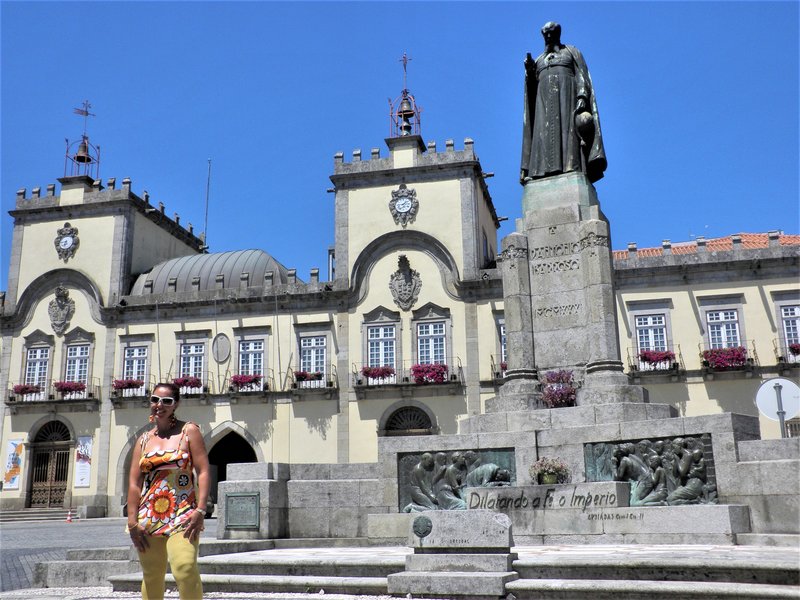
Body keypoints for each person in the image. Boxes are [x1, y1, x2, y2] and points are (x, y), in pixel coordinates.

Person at [127, 382, 210, 599]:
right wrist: (132, 521)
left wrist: (200, 510)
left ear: (176, 405)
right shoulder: (143, 440)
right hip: (149, 515)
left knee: (184, 567)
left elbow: (202, 471)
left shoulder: (188, 431)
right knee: (152, 575)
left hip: (183, 511)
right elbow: (135, 483)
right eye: (155, 399)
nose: (159, 405)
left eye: (166, 401)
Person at [520, 21, 607, 184]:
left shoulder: (571, 52)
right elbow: (531, 90)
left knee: (569, 135)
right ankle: (540, 172)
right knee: (542, 135)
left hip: (568, 101)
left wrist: (582, 96)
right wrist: (529, 72)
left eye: (551, 33)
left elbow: (582, 75)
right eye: (545, 34)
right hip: (544, 106)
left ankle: (571, 168)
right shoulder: (539, 60)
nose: (548, 36)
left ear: (558, 34)